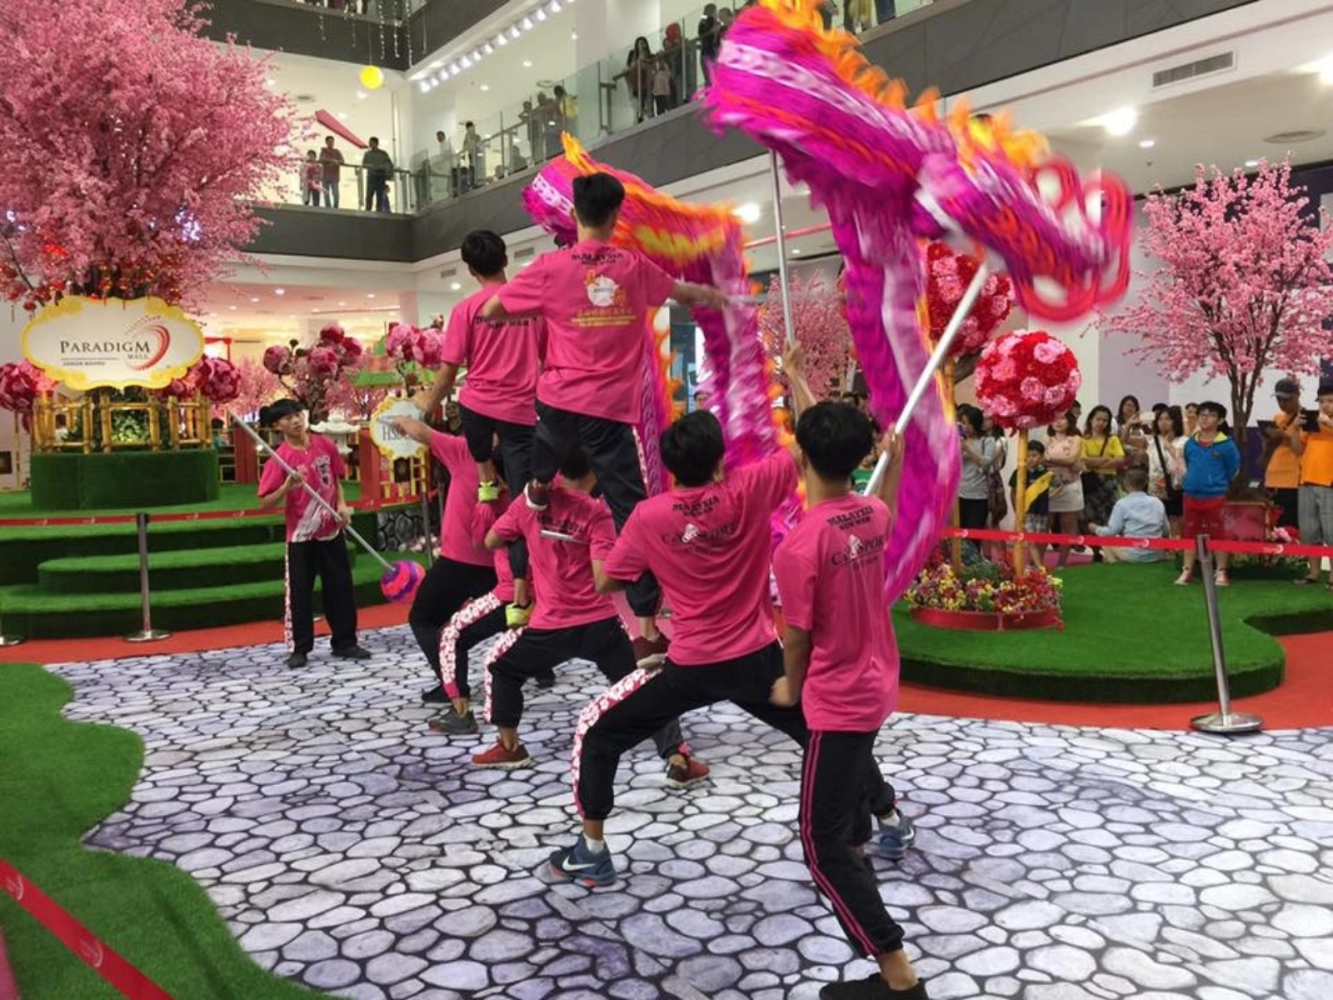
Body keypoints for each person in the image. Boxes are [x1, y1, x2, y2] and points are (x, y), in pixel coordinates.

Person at [544, 345, 914, 895]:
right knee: (827, 737)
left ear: (672, 469)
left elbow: (607, 583)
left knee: (599, 734)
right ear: (720, 462)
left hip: (691, 665)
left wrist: (598, 540)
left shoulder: (648, 516)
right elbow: (816, 442)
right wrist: (794, 377)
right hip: (757, 660)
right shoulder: (751, 486)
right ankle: (889, 818)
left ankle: (592, 850)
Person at [480, 172, 727, 664]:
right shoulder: (634, 268)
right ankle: (647, 627)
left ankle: (523, 593)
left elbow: (490, 310)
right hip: (609, 413)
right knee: (633, 514)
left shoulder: (550, 268)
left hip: (556, 404)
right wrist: (711, 297)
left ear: (574, 215)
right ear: (616, 217)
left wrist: (534, 313)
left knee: (534, 497)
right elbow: (681, 293)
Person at [769, 399, 926, 1000]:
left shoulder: (799, 545)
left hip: (839, 699)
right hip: (877, 684)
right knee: (847, 826)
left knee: (821, 841)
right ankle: (888, 963)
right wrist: (896, 457)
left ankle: (899, 978)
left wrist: (790, 683)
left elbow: (798, 636)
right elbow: (875, 493)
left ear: (801, 457)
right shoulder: (872, 516)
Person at [473, 447, 707, 786]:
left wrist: (532, 529)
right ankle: (676, 756)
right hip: (598, 625)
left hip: (551, 627)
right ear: (596, 469)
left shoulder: (531, 501)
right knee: (645, 683)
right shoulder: (597, 513)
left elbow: (493, 539)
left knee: (502, 670)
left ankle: (510, 746)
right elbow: (602, 582)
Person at [415, 230, 542, 624]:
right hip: (521, 415)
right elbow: (550, 361)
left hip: (479, 411)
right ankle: (522, 595)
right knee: (523, 511)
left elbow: (448, 375)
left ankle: (485, 474)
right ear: (505, 260)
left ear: (470, 269)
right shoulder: (533, 307)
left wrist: (426, 405)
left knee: (472, 417)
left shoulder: (466, 309)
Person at [390, 417, 500, 703]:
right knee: (514, 615)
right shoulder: (522, 457)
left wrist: (401, 418)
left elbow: (421, 431)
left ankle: (452, 685)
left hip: (460, 560)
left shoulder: (464, 450)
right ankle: (540, 667)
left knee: (425, 619)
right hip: (504, 560)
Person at [256, 399, 370, 669]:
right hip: (301, 537)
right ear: (277, 425)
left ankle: (345, 642)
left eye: (297, 414)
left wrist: (342, 506)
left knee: (340, 587)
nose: (295, 421)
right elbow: (264, 501)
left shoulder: (325, 445)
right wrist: (287, 486)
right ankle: (300, 648)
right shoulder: (279, 459)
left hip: (331, 530)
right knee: (299, 593)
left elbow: (337, 480)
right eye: (287, 418)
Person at [1174, 401, 1241, 587]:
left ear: (1220, 420)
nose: (1205, 418)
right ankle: (1187, 571)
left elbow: (1233, 469)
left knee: (1218, 533)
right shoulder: (1190, 444)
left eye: (1211, 415)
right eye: (1202, 414)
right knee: (1189, 533)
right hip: (1190, 495)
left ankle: (1220, 571)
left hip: (1215, 496)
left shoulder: (1227, 445)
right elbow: (1187, 464)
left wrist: (1216, 483)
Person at [1291, 377, 1333, 587]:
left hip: (1329, 483)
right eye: (1322, 401)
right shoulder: (1313, 422)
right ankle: (1313, 573)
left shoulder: (1326, 422)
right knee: (1308, 531)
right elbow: (1297, 449)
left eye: (1330, 401)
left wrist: (1329, 424)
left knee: (1332, 531)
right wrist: (1295, 428)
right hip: (1306, 480)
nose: (1325, 405)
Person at [1092, 467, 1169, 563]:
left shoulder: (1122, 504)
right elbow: (1166, 531)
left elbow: (1111, 532)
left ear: (1125, 483)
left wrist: (1095, 528)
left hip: (1133, 553)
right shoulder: (1157, 502)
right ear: (1146, 482)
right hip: (1156, 553)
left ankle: (1116, 565)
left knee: (1104, 539)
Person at [1079, 405, 1124, 561]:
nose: (1101, 423)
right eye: (1098, 419)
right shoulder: (1083, 439)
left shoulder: (1113, 439)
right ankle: (1095, 550)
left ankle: (1109, 550)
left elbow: (1119, 460)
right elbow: (1083, 461)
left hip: (1109, 482)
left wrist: (1096, 463)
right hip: (1091, 482)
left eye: (1105, 420)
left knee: (1110, 516)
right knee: (1089, 516)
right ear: (1091, 419)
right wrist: (1106, 460)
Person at [1044, 411, 1084, 568]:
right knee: (1045, 524)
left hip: (1070, 486)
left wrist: (1049, 459)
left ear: (1070, 421)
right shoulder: (1046, 439)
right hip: (1050, 488)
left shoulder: (1076, 439)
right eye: (1054, 418)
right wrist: (1064, 462)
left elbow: (1072, 459)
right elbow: (1040, 460)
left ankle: (1062, 562)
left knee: (1067, 527)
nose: (1058, 422)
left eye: (1062, 418)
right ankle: (1036, 560)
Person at [1263, 378, 1304, 530]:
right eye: (1279, 399)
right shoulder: (1277, 418)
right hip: (1272, 477)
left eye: (1286, 399)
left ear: (1297, 396)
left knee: (1290, 525)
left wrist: (1284, 436)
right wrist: (1268, 438)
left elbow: (1301, 448)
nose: (1282, 403)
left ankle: (1294, 554)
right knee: (1274, 525)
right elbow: (1269, 448)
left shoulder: (1305, 418)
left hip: (1292, 480)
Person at [957, 406, 997, 560]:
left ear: (976, 423)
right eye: (962, 423)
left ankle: (974, 564)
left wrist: (968, 450)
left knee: (974, 534)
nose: (965, 427)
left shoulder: (987, 441)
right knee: (959, 535)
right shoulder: (959, 441)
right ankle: (960, 564)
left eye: (967, 423)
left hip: (978, 496)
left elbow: (986, 463)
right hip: (959, 494)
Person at [1147, 406, 1187, 538]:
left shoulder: (1183, 441)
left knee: (1175, 518)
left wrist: (1168, 444)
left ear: (1175, 421)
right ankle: (1163, 549)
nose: (1163, 422)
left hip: (1174, 486)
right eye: (1160, 419)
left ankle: (1177, 549)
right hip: (1155, 487)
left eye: (1167, 419)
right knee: (1157, 519)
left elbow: (1179, 459)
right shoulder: (1153, 441)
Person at [362, 137, 393, 212]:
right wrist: (370, 166)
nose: (370, 144)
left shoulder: (383, 154)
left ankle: (379, 210)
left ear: (376, 143)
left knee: (379, 195)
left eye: (371, 143)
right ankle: (368, 210)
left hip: (380, 176)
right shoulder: (367, 154)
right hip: (371, 176)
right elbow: (364, 164)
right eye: (370, 143)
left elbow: (389, 164)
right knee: (369, 195)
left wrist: (382, 168)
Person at [319, 136, 345, 208]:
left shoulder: (337, 151)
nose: (331, 143)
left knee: (336, 194)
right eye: (329, 141)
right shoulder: (323, 151)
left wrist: (337, 161)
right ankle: (328, 208)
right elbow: (321, 159)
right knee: (326, 194)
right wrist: (331, 160)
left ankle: (336, 207)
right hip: (325, 176)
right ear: (326, 142)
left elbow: (342, 161)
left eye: (332, 141)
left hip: (334, 176)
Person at [698, 3, 720, 85]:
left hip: (707, 52)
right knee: (713, 78)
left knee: (709, 79)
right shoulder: (711, 22)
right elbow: (711, 37)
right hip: (710, 52)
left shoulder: (702, 22)